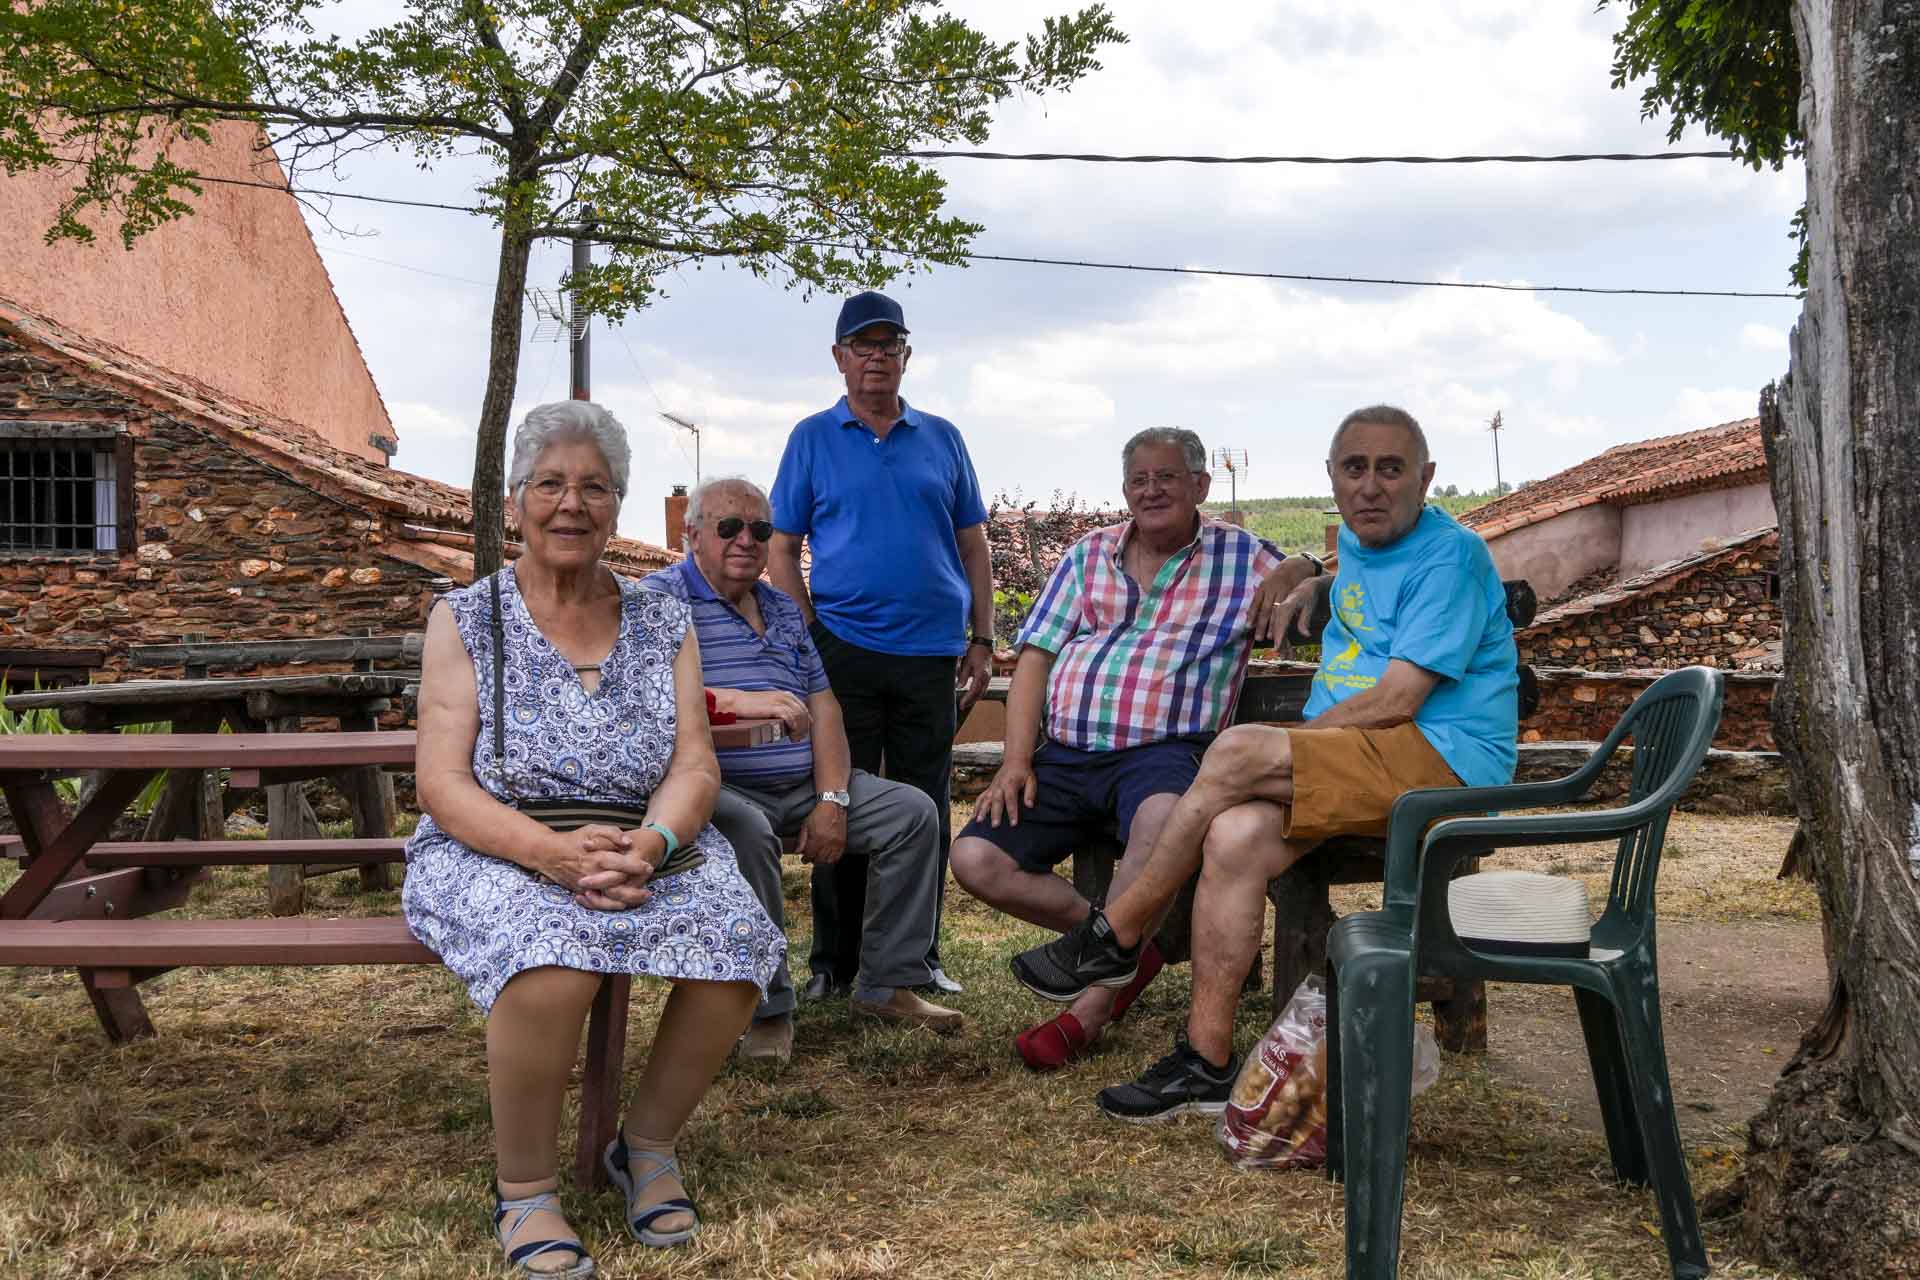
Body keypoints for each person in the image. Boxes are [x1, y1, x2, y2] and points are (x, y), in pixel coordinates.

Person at [1011, 404, 1519, 1122]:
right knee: (1235, 837)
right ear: (1333, 480)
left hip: (1443, 760)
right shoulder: (1358, 545)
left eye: (1390, 468)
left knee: (1240, 749)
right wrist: (1312, 577)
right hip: (1364, 756)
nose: (1370, 485)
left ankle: (1117, 935)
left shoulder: (1454, 553)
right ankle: (1207, 1060)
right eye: (1354, 468)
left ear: (1426, 478)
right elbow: (1348, 588)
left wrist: (1297, 744)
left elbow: (1401, 698)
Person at [404, 401, 786, 1274]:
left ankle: (644, 1146)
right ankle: (526, 1189)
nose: (570, 504)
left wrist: (650, 844)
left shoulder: (663, 618)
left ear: (618, 506)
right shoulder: (467, 618)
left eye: (594, 488)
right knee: (555, 955)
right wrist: (552, 854)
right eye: (550, 485)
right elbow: (442, 784)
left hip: (641, 845)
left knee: (739, 944)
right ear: (514, 502)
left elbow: (694, 765)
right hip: (495, 843)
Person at [949, 427, 1323, 1070]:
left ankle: (1087, 1012)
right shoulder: (1088, 555)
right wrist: (1016, 760)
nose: (1151, 491)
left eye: (1167, 478)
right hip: (1064, 754)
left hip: (1166, 752)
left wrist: (1301, 567)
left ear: (1200, 487)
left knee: (1160, 819)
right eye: (1139, 480)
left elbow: (1322, 576)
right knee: (975, 858)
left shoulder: (1239, 556)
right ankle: (1128, 946)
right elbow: (1035, 657)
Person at [644, 476, 962, 1058]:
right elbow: (644, 699)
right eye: (729, 527)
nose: (747, 540)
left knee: (913, 813)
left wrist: (832, 799)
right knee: (748, 831)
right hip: (713, 785)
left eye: (760, 530)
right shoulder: (658, 600)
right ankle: (767, 1008)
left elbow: (824, 706)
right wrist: (738, 700)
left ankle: (888, 983)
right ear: (692, 535)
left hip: (799, 782)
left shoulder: (782, 609)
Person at [767, 290, 993, 999]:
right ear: (839, 358)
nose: (876, 358)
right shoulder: (811, 437)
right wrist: (811, 636)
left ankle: (915, 959)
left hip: (933, 655)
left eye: (888, 345)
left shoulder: (943, 437)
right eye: (862, 346)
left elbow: (973, 544)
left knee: (925, 807)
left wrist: (983, 636)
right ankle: (833, 964)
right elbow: (781, 548)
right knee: (842, 802)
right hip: (845, 653)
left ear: (906, 357)